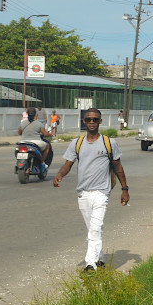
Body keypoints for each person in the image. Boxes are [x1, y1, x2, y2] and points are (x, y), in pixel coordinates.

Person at [52, 108, 129, 271]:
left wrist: (125, 189)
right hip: (83, 193)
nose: (92, 122)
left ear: (100, 121)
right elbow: (68, 164)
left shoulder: (109, 143)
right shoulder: (77, 143)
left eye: (95, 119)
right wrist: (59, 175)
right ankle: (100, 258)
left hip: (102, 192)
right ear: (84, 122)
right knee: (93, 228)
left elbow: (118, 166)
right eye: (89, 120)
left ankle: (90, 264)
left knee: (94, 227)